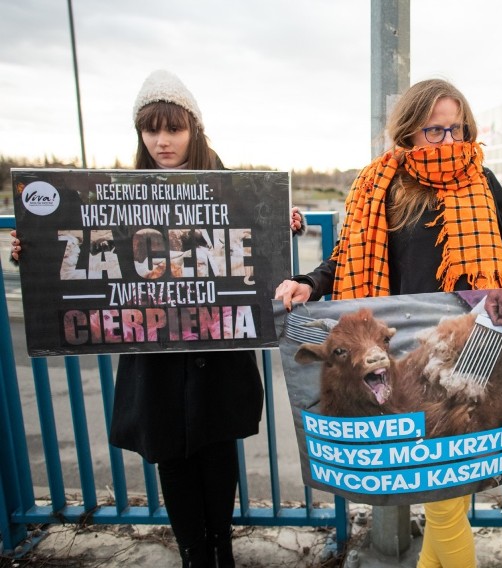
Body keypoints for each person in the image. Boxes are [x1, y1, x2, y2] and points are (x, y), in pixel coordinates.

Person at [274, 78, 502, 568]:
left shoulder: (480, 181)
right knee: (442, 499)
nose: (450, 142)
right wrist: (309, 284)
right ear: (408, 132)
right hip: (402, 362)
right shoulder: (375, 185)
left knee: (445, 504)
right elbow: (342, 262)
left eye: (457, 129)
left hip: (463, 362)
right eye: (435, 131)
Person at [10, 69, 304, 568]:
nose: (163, 141)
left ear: (194, 128)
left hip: (216, 344)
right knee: (171, 453)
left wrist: (284, 222)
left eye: (174, 128)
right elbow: (75, 246)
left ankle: (221, 548)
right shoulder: (116, 192)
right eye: (152, 130)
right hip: (155, 349)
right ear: (140, 135)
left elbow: (255, 248)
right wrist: (33, 250)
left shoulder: (232, 188)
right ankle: (194, 552)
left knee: (217, 450)